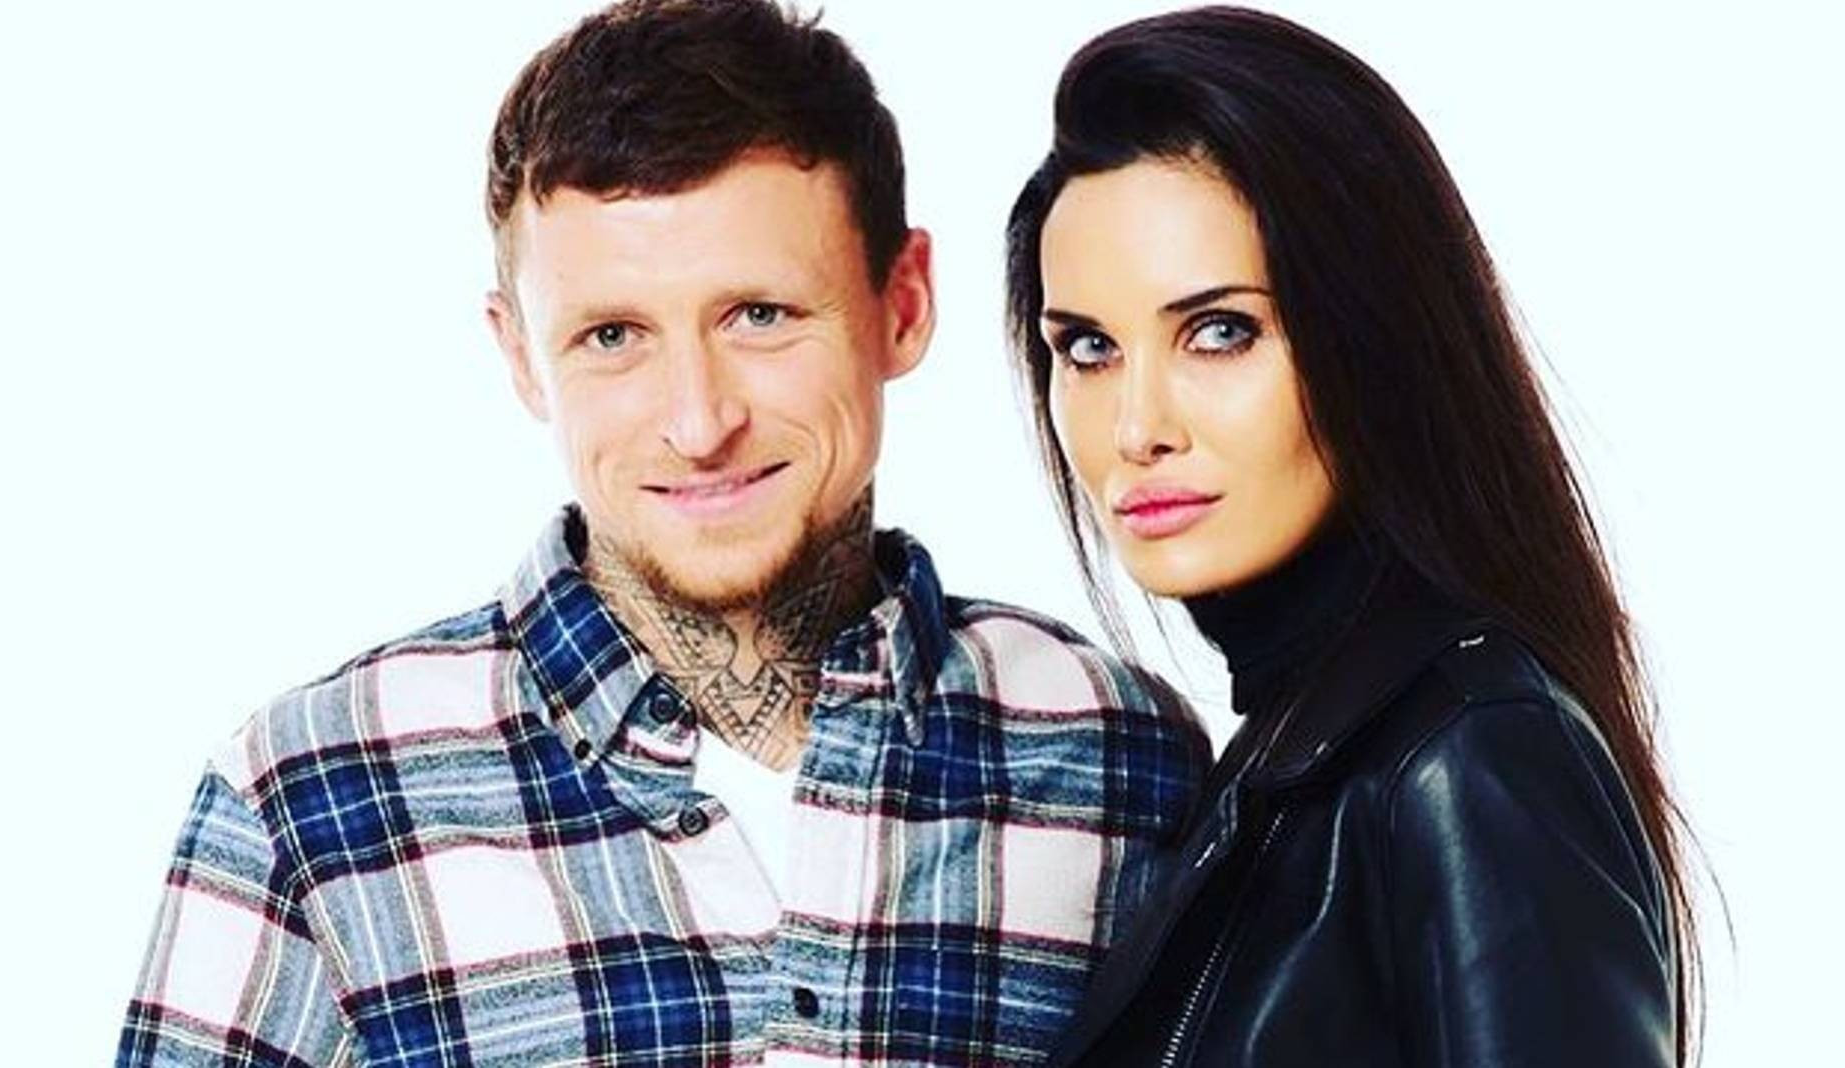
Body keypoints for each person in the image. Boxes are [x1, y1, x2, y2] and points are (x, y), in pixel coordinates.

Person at [114, 2, 1210, 1064]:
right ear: (520, 357)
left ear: (904, 304)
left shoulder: (1114, 754)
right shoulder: (305, 798)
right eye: (612, 336)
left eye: (760, 316)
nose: (698, 423)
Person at [1002, 7, 1697, 1066]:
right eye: (1089, 348)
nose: (1137, 428)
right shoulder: (1290, 764)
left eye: (1220, 332)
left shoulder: (1469, 749)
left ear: (1373, 338)